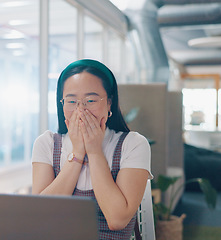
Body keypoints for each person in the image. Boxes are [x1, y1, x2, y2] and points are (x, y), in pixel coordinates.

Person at [31, 59, 152, 239]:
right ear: (61, 104)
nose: (81, 110)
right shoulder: (47, 143)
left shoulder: (133, 144)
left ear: (109, 102)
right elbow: (42, 217)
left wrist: (94, 151)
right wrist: (78, 153)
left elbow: (117, 220)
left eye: (90, 100)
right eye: (72, 101)